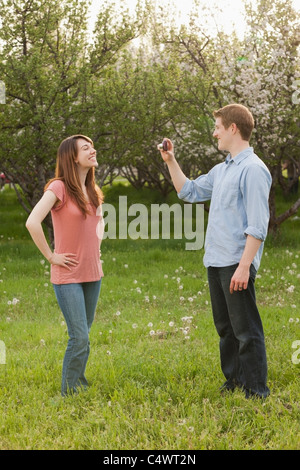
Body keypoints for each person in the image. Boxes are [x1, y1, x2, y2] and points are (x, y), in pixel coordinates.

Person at [158, 104, 271, 399]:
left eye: (218, 127)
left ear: (233, 128)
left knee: (246, 330)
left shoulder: (254, 169)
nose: (214, 132)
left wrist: (245, 266)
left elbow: (258, 225)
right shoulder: (222, 170)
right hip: (216, 261)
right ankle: (233, 381)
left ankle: (256, 390)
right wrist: (171, 161)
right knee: (226, 329)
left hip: (237, 262)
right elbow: (189, 191)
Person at [26, 135, 104, 396]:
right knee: (79, 337)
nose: (92, 150)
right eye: (86, 148)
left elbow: (97, 224)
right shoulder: (58, 188)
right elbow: (32, 222)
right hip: (68, 275)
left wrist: (95, 250)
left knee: (84, 334)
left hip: (93, 274)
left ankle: (78, 382)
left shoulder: (92, 190)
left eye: (91, 146)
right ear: (72, 157)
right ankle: (70, 392)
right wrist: (51, 256)